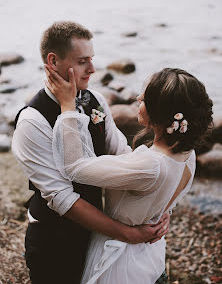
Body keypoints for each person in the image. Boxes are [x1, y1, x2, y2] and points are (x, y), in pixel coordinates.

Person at [12, 21, 169, 284]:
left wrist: (158, 207)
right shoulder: (32, 121)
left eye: (92, 59)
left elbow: (122, 157)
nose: (93, 69)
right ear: (53, 60)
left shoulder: (95, 100)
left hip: (99, 233)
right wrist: (126, 234)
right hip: (55, 242)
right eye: (83, 61)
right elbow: (62, 199)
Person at [45, 66, 213, 284]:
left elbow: (75, 166)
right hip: (150, 256)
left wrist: (67, 107)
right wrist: (164, 213)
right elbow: (162, 193)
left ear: (161, 114)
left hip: (120, 268)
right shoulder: (187, 155)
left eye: (145, 98)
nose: (137, 97)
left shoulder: (150, 166)